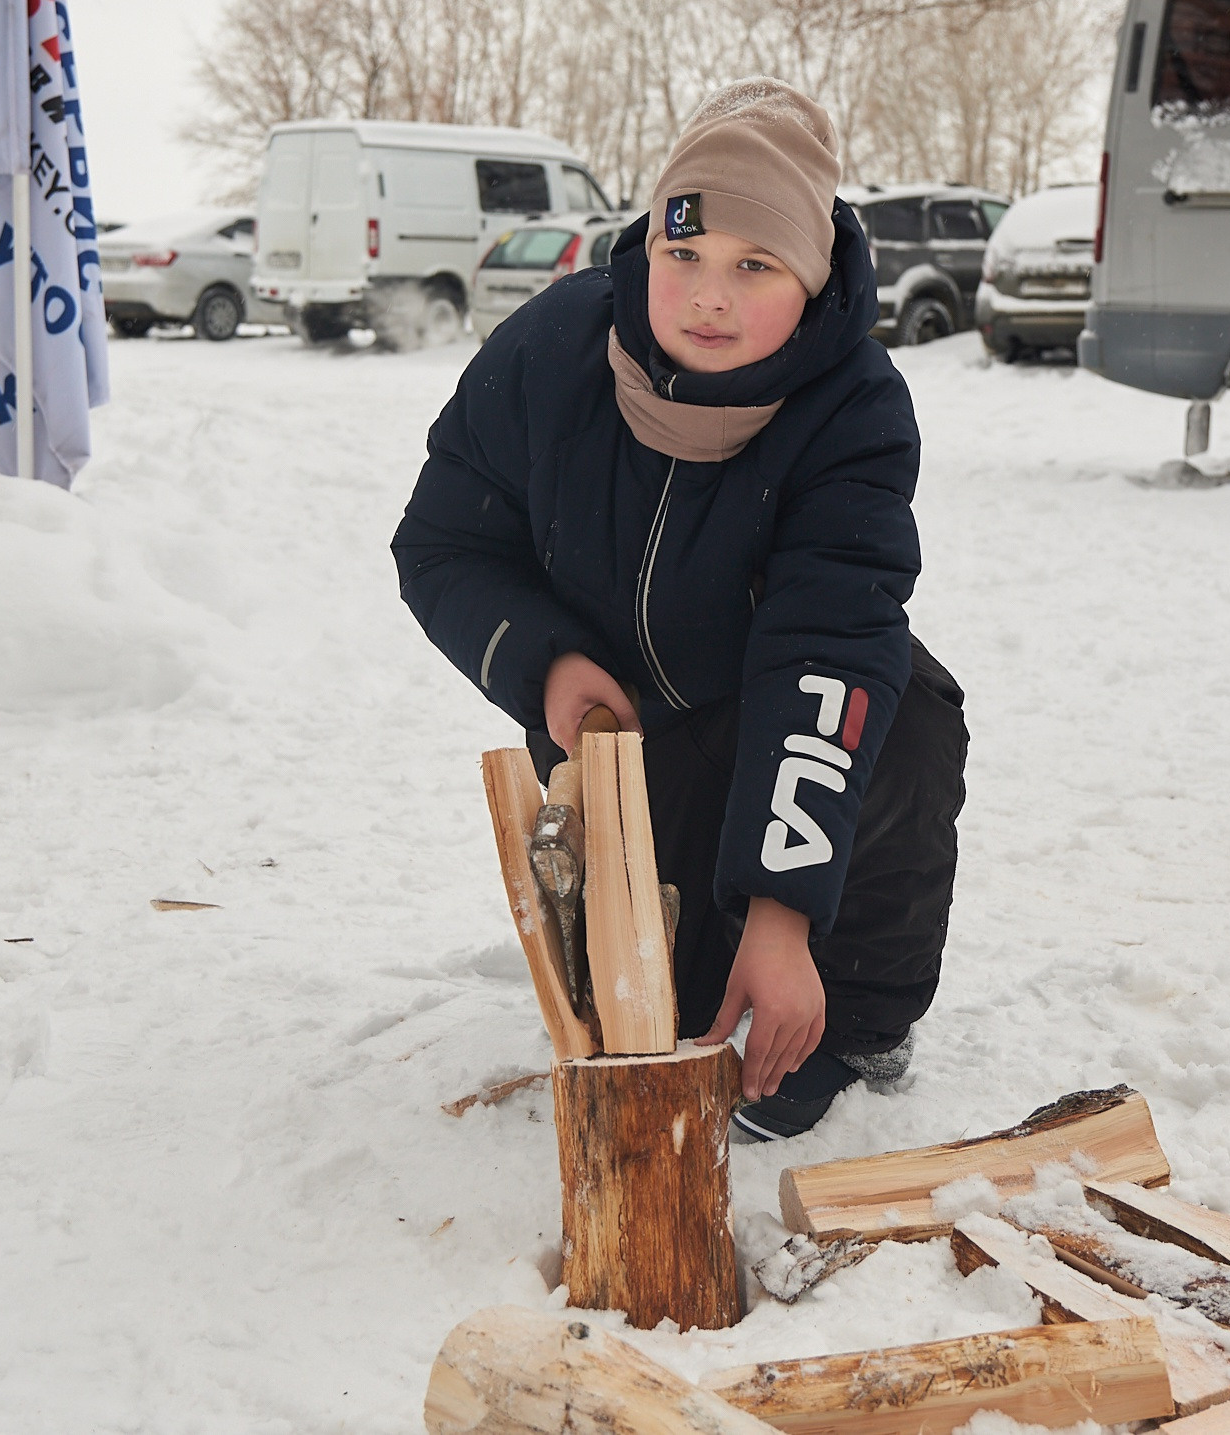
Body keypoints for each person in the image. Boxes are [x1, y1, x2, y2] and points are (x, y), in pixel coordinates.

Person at [391, 80, 967, 1141]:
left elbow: (829, 644)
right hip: (625, 735)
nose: (709, 297)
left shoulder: (854, 407)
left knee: (906, 714)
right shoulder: (549, 351)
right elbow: (443, 545)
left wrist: (786, 917)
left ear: (810, 275)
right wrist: (547, 666)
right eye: (683, 256)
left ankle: (858, 1022)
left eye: (755, 266)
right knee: (668, 1014)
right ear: (647, 247)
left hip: (773, 704)